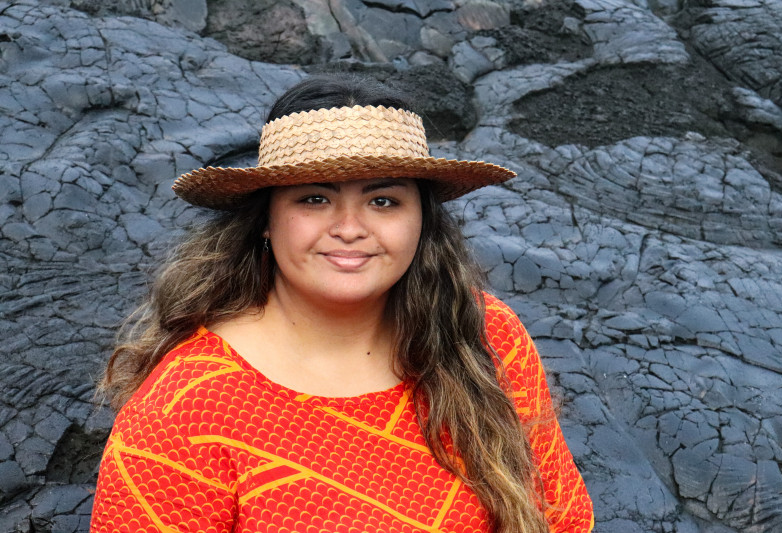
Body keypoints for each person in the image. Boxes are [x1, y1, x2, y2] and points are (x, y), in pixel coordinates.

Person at [91, 74, 593, 532]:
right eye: (314, 199)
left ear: (422, 221)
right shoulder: (184, 413)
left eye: (383, 201)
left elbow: (562, 518)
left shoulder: (484, 336)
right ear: (266, 219)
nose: (350, 229)